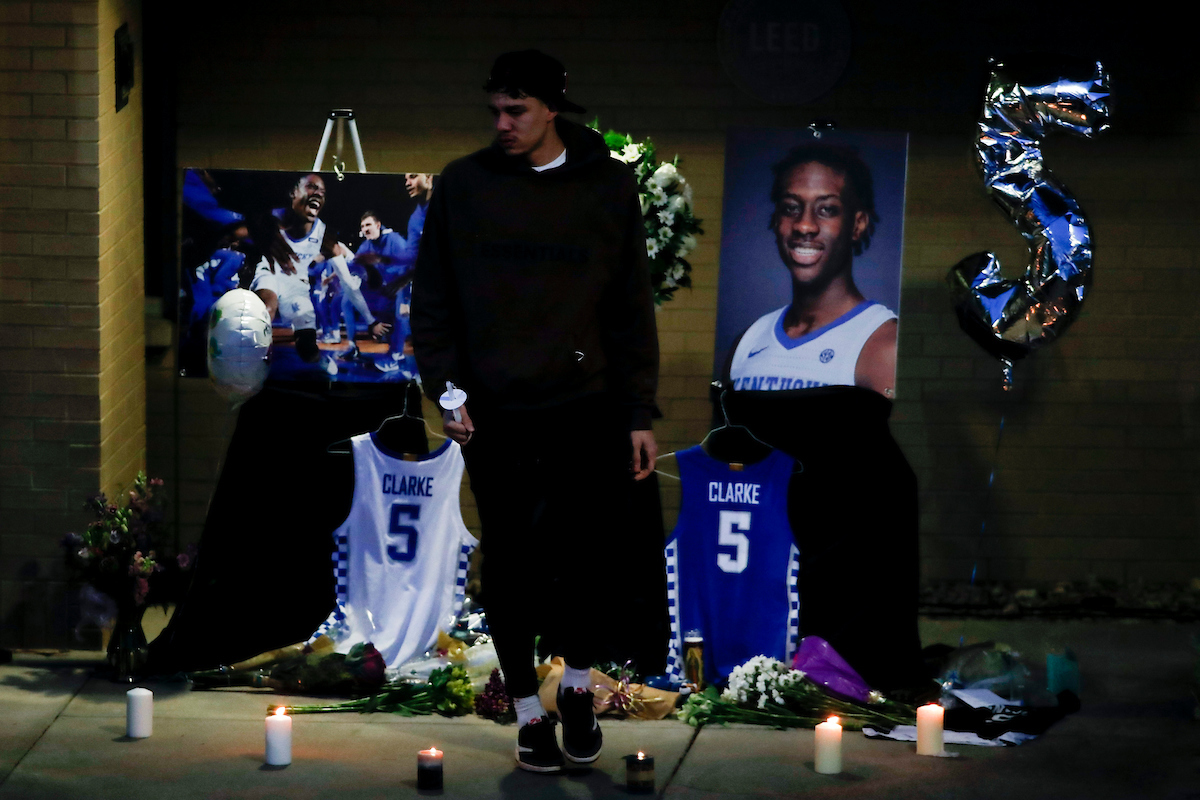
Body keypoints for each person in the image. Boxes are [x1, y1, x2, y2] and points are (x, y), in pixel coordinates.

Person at [411, 50, 658, 774]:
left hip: (585, 406)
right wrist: (448, 391)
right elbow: (433, 303)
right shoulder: (465, 185)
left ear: (552, 108)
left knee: (586, 561)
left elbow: (629, 309)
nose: (503, 124)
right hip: (496, 411)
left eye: (516, 111)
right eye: (494, 111)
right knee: (512, 566)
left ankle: (577, 689)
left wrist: (638, 411)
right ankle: (526, 715)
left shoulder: (607, 188)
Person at [725, 143, 897, 398]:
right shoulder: (748, 341)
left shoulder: (884, 345)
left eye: (826, 209)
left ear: (857, 224)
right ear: (775, 219)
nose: (804, 225)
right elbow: (722, 437)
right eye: (791, 207)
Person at [250, 173, 386, 368]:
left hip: (296, 285)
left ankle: (321, 351)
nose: (318, 194)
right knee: (266, 309)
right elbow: (239, 226)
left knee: (308, 350)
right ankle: (246, 354)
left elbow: (347, 282)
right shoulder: (270, 218)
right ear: (293, 193)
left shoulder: (324, 238)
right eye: (312, 187)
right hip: (269, 273)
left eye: (322, 192)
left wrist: (371, 321)